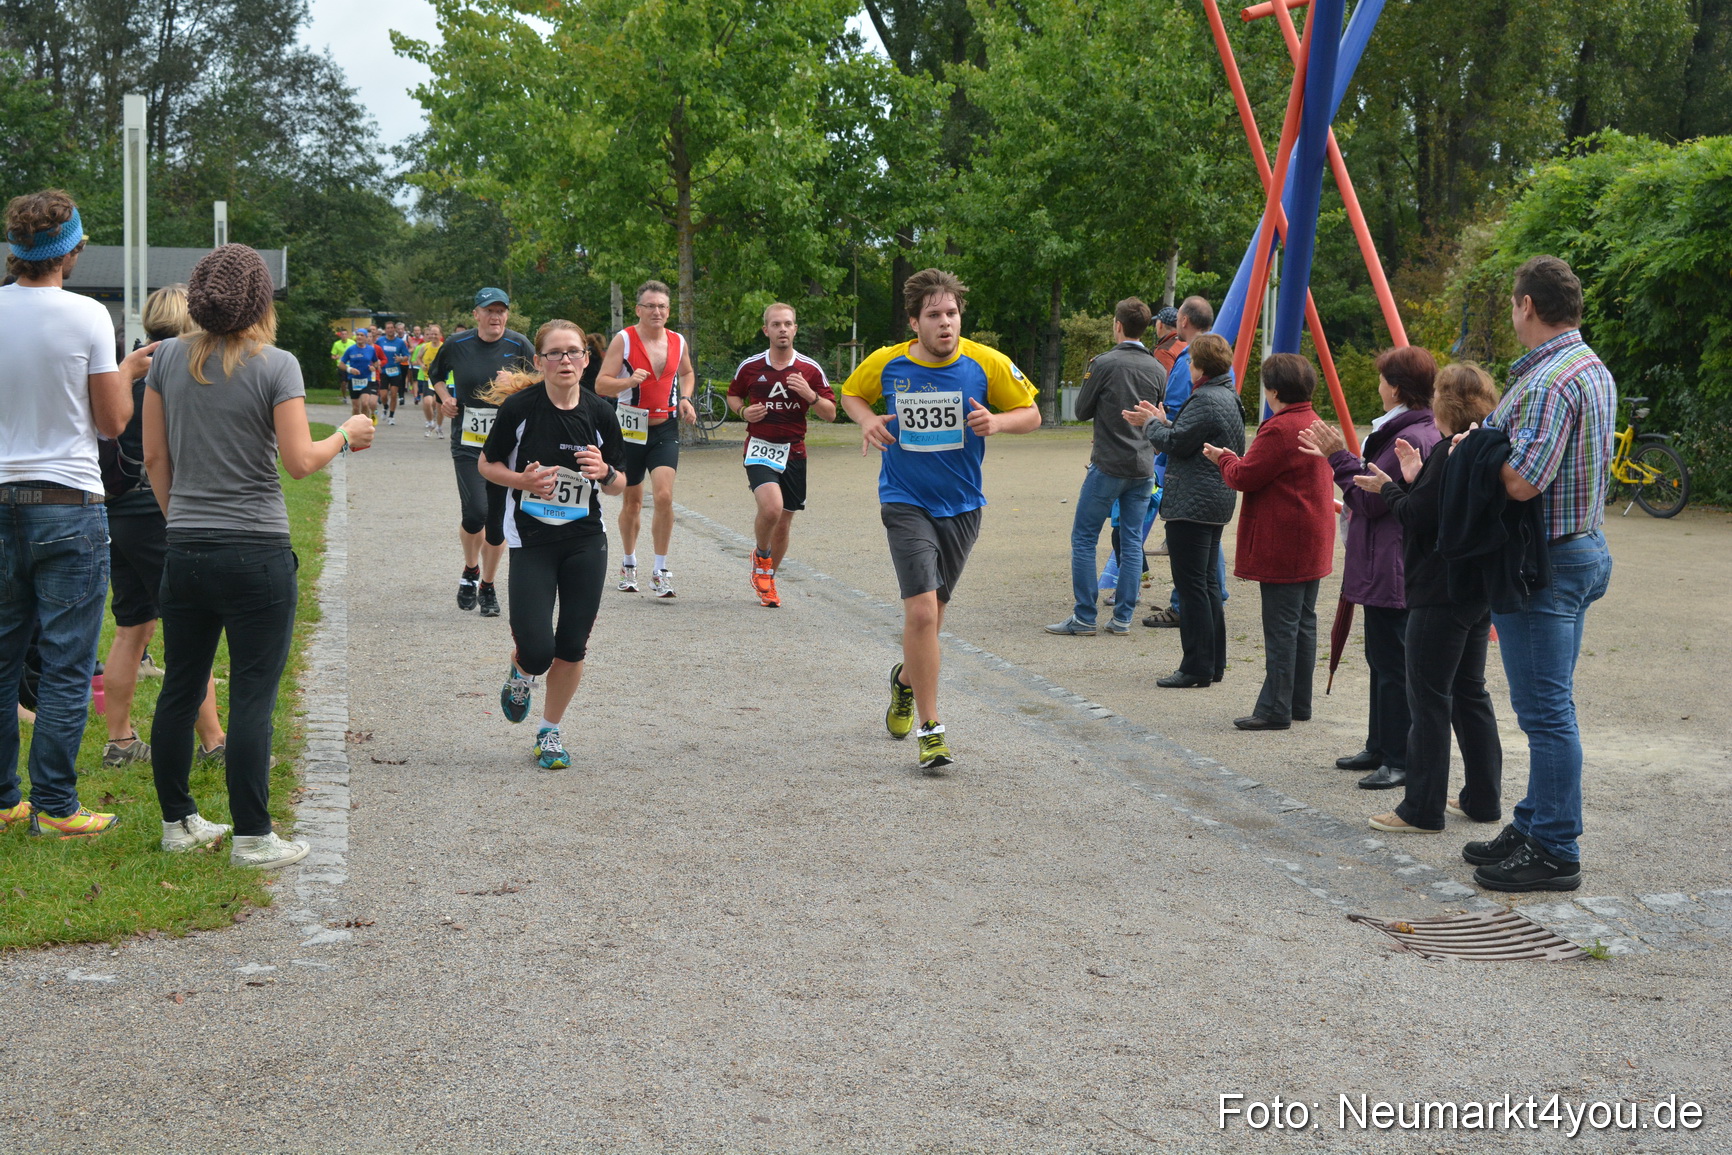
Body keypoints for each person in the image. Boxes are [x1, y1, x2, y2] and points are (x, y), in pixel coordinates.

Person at [142, 243, 375, 867]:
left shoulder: (165, 358)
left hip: (186, 548)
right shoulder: (278, 365)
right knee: (250, 696)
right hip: (256, 552)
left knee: (180, 689)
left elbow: (155, 459)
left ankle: (178, 822)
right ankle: (252, 834)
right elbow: (300, 462)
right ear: (261, 302)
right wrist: (346, 438)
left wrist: (182, 523)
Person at [1454, 256, 1616, 893]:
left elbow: (1523, 481)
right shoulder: (1591, 367)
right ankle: (1533, 821)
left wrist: (1472, 456)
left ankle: (1555, 847)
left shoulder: (1549, 381)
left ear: (1526, 305)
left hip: (1544, 564)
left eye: (1513, 304)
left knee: (1546, 713)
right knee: (1550, 707)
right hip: (1577, 550)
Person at [840, 268, 1040, 771]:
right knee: (923, 614)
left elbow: (1031, 413)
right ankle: (932, 729)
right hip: (904, 499)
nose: (945, 323)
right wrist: (867, 420)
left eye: (951, 313)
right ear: (915, 322)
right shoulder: (887, 364)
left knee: (934, 618)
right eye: (934, 315)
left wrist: (997, 421)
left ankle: (905, 681)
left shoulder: (984, 362)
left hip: (963, 505)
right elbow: (850, 393)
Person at [1, 188, 154, 838]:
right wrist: (121, 368)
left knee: (4, 659)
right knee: (66, 662)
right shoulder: (88, 316)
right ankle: (56, 805)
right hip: (69, 503)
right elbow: (113, 420)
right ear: (72, 250)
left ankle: (6, 798)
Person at [1353, 362, 1504, 834]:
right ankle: (1483, 797)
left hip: (1439, 589)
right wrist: (1418, 477)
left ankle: (1421, 808)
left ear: (1445, 402)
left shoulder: (1450, 451)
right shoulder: (1483, 446)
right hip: (1475, 588)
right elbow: (1445, 507)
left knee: (1429, 698)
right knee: (1468, 692)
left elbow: (1417, 517)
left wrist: (1390, 487)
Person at [477, 321, 628, 768]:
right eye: (556, 353)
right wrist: (521, 480)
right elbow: (487, 465)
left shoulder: (601, 413)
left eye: (574, 352)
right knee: (539, 649)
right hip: (532, 539)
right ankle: (522, 671)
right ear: (540, 361)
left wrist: (605, 472)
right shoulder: (521, 409)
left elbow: (620, 484)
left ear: (586, 359)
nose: (565, 360)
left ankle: (549, 733)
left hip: (585, 539)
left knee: (573, 645)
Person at [1298, 346, 1441, 790]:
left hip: (1391, 563)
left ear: (1395, 387)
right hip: (1383, 560)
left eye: (1382, 379)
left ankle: (1397, 757)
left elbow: (1369, 499)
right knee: (1380, 658)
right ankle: (1380, 744)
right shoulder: (1410, 428)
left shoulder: (1411, 436)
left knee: (1393, 664)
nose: (1378, 387)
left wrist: (1338, 457)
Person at [101, 284, 226, 769]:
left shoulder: (125, 369)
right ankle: (215, 744)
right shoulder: (179, 372)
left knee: (131, 626)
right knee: (190, 628)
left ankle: (120, 741)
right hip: (157, 513)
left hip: (115, 511)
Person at [1201, 353, 1334, 731]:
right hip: (1312, 536)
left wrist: (1223, 459)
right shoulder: (1313, 421)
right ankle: (1297, 702)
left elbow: (1245, 476)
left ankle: (1276, 708)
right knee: (1304, 623)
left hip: (1284, 541)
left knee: (1281, 627)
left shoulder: (1278, 428)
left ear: (1274, 391)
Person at [1123, 332, 1244, 685]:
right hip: (1215, 499)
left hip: (1193, 503)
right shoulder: (1227, 396)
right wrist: (1163, 421)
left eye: (1191, 362)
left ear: (1200, 365)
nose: (1188, 368)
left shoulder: (1204, 399)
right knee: (1206, 586)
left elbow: (1175, 443)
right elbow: (1192, 438)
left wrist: (1151, 425)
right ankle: (1213, 663)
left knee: (1192, 588)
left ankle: (1195, 667)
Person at [1044, 297, 1165, 636]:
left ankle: (1084, 616)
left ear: (1117, 326)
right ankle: (1123, 617)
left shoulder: (1104, 363)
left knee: (1083, 538)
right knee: (1130, 541)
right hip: (1143, 466)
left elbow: (1081, 410)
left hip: (1109, 464)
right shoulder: (1158, 368)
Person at [429, 288, 536, 615]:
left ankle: (487, 586)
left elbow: (542, 380)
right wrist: (444, 398)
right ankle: (470, 569)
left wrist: (516, 381)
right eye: (489, 311)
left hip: (506, 445)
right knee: (475, 513)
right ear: (476, 314)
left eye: (501, 311)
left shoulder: (519, 344)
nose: (496, 317)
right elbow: (436, 375)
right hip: (468, 443)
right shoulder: (456, 345)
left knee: (496, 522)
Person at [726, 302, 836, 607]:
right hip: (760, 447)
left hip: (794, 451)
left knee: (784, 523)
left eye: (788, 323)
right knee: (772, 509)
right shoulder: (750, 366)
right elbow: (733, 394)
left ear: (795, 329)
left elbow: (831, 414)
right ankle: (761, 556)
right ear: (766, 330)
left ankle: (768, 580)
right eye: (776, 324)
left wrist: (810, 395)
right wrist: (744, 411)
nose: (782, 329)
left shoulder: (809, 369)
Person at [595, 281, 698, 598]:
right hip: (630, 429)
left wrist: (686, 398)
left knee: (665, 496)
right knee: (633, 500)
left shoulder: (677, 341)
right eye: (650, 306)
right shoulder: (624, 340)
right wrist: (628, 381)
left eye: (662, 306)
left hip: (665, 427)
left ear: (669, 311)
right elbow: (601, 385)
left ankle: (661, 569)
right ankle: (628, 564)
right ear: (638, 309)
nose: (657, 311)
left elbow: (687, 373)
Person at [1146, 296, 1229, 624]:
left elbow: (1180, 415)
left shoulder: (1189, 359)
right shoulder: (1223, 358)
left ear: (1183, 322)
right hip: (1213, 465)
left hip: (1188, 466)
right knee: (1208, 535)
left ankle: (1183, 605)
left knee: (1188, 537)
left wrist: (1157, 429)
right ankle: (1214, 591)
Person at [340, 327, 380, 420]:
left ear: (366, 338)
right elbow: (341, 364)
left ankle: (366, 424)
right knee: (356, 407)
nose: (359, 337)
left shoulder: (370, 349)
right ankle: (355, 426)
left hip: (367, 379)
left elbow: (376, 362)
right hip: (353, 380)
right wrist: (350, 370)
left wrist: (374, 367)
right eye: (357, 335)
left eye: (362, 335)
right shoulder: (351, 349)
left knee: (365, 404)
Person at [413, 323, 445, 437]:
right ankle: (431, 422)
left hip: (441, 380)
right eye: (431, 334)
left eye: (436, 334)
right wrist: (421, 365)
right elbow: (418, 358)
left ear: (440, 335)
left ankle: (439, 427)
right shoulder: (424, 346)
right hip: (428, 379)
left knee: (439, 405)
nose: (433, 336)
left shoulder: (444, 347)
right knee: (427, 402)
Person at [377, 322, 410, 425]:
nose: (390, 330)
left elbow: (406, 356)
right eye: (388, 328)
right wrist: (377, 363)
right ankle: (385, 407)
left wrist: (401, 359)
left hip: (395, 371)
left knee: (394, 394)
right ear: (385, 330)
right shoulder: (380, 341)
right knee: (383, 395)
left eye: (392, 328)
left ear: (394, 329)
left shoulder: (400, 342)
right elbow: (375, 354)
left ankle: (391, 416)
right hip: (383, 370)